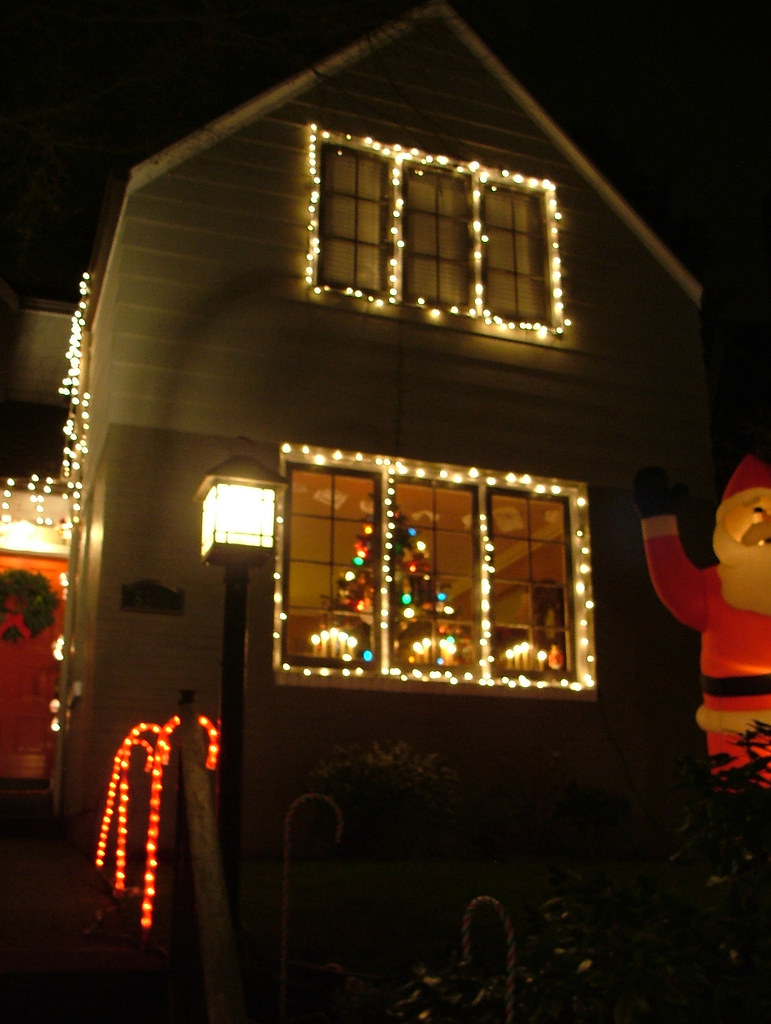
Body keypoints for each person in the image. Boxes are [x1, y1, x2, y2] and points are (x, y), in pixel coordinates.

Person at [634, 454, 771, 766]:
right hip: (734, 725)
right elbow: (675, 584)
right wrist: (657, 519)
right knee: (741, 798)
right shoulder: (713, 588)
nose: (764, 523)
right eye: (756, 510)